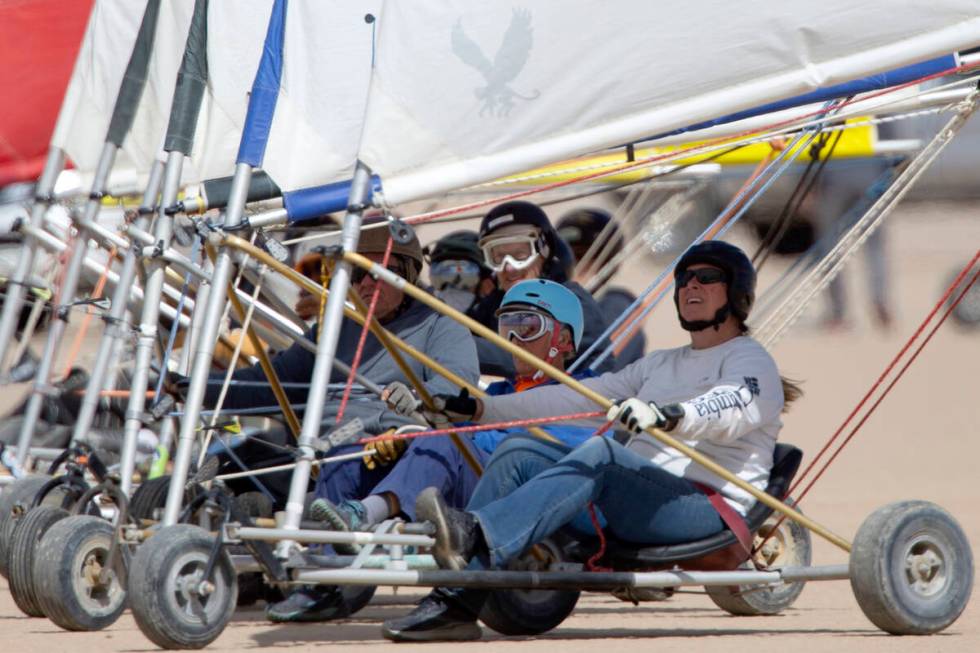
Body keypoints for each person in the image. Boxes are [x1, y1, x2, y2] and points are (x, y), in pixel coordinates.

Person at [381, 240, 802, 641]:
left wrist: (668, 415)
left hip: (706, 508)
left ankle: (472, 533)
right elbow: (575, 395)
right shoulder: (660, 364)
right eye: (684, 278)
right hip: (639, 502)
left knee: (602, 453)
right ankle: (454, 604)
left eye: (707, 277)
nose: (691, 285)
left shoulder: (750, 360)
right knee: (519, 451)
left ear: (737, 293)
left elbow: (732, 405)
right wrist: (479, 409)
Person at [267, 279, 603, 622]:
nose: (514, 339)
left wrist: (449, 433)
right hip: (474, 477)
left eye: (529, 327)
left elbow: (562, 451)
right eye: (508, 326)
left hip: (526, 495)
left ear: (563, 340)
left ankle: (365, 514)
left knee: (441, 438)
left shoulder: (585, 393)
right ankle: (326, 581)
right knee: (352, 455)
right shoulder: (495, 394)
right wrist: (401, 436)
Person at [197, 223, 480, 506]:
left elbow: (455, 390)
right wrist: (196, 389)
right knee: (233, 458)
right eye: (357, 273)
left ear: (407, 275)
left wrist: (408, 412)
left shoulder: (442, 325)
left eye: (380, 272)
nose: (367, 282)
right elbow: (272, 382)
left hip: (384, 458)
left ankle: (313, 530)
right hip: (318, 453)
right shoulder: (334, 326)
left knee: (341, 462)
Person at [468, 200, 615, 376]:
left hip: (577, 400)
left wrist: (445, 345)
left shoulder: (569, 300)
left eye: (520, 255)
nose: (509, 267)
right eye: (498, 257)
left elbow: (527, 357)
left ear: (545, 252)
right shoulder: (495, 306)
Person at [557, 207, 647, 370]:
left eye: (581, 256)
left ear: (606, 262)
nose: (571, 265)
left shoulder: (617, 306)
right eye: (564, 256)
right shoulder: (556, 307)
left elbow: (595, 370)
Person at [423, 230, 496, 315]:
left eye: (464, 280)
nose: (449, 291)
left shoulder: (505, 320)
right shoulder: (423, 316)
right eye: (440, 277)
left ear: (487, 285)